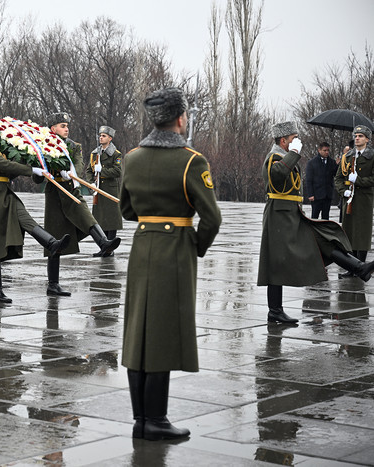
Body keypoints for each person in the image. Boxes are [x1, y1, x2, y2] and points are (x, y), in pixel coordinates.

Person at [120, 87, 222, 441]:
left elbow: (127, 210)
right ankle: (156, 419)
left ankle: (140, 419)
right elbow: (212, 218)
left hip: (142, 246)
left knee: (138, 332)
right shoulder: (191, 161)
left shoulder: (132, 158)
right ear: (180, 119)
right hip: (175, 248)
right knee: (162, 331)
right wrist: (195, 246)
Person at [258, 121, 374, 324]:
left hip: (292, 214)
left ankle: (359, 267)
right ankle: (275, 310)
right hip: (278, 216)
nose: (297, 141)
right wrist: (294, 153)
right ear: (283, 141)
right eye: (294, 138)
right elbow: (277, 176)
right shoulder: (274, 157)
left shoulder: (284, 156)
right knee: (275, 261)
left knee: (324, 239)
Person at [0, 112, 70, 303]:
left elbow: (9, 170)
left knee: (25, 218)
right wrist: (30, 170)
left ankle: (52, 244)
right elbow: (4, 165)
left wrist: (32, 160)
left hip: (4, 191)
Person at [33, 112, 120, 296]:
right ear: (53, 129)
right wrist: (39, 170)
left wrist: (71, 172)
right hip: (55, 194)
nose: (67, 129)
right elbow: (36, 178)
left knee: (86, 215)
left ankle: (103, 242)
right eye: (62, 126)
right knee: (55, 237)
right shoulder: (42, 145)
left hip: (71, 189)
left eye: (67, 126)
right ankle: (53, 284)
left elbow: (79, 165)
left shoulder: (74, 146)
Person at [335, 125, 374, 274]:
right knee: (349, 233)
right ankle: (352, 267)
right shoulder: (347, 156)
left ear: (367, 139)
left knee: (362, 233)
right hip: (349, 199)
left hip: (364, 199)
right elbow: (338, 178)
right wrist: (343, 191)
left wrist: (358, 180)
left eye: (361, 136)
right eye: (356, 136)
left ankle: (361, 267)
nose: (357, 138)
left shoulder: (371, 156)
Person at [85, 125, 123, 256]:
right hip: (98, 189)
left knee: (111, 219)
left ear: (110, 138)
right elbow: (89, 170)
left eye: (104, 136)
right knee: (100, 219)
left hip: (110, 190)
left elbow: (117, 171)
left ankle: (110, 248)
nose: (101, 138)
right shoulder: (95, 153)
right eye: (100, 136)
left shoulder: (116, 154)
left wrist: (102, 171)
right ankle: (103, 246)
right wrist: (91, 182)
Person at [304, 142, 337, 219]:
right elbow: (309, 180)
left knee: (326, 217)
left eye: (328, 150)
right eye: (324, 150)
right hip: (316, 195)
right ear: (319, 150)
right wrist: (310, 194)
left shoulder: (332, 162)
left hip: (327, 195)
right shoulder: (312, 162)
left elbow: (335, 175)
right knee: (314, 217)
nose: (327, 152)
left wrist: (337, 166)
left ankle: (325, 227)